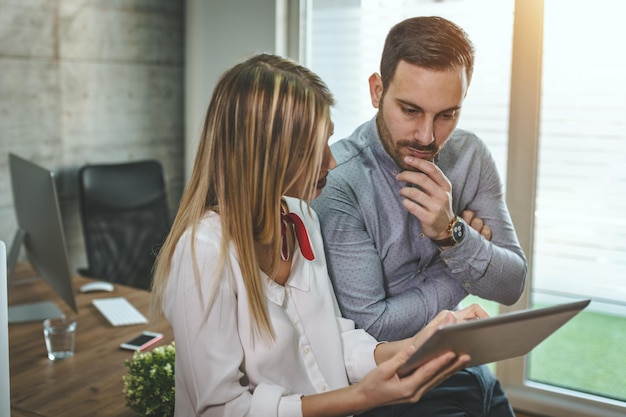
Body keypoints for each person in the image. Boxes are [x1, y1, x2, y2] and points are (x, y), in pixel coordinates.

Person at [150, 53, 489, 417]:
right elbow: (218, 410)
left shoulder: (299, 217)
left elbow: (332, 341)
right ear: (268, 154)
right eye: (314, 148)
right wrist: (362, 398)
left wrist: (418, 345)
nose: (331, 162)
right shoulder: (203, 252)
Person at [311, 16, 528, 417]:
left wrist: (450, 234)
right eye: (410, 110)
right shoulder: (338, 178)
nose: (427, 137)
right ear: (377, 90)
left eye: (447, 114)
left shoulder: (470, 155)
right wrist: (458, 252)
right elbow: (373, 327)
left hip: (461, 365)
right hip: (385, 386)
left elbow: (513, 282)